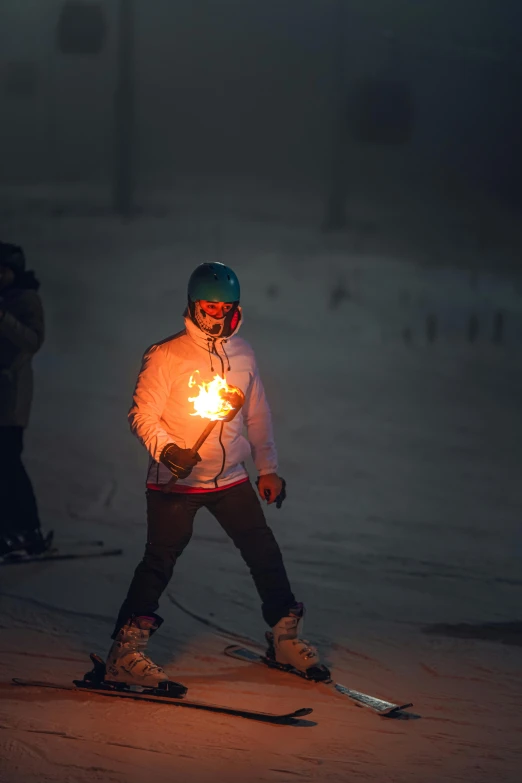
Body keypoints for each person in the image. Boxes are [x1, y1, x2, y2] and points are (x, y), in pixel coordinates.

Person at [106, 262, 328, 687]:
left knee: (263, 551)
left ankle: (283, 636)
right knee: (159, 561)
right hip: (176, 481)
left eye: (227, 306)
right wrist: (167, 450)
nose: (218, 314)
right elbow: (142, 414)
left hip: (230, 477)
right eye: (210, 305)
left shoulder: (243, 353)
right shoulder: (166, 354)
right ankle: (125, 651)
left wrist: (268, 468)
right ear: (193, 304)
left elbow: (257, 412)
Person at [0, 242, 49, 556]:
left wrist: (3, 317)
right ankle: (9, 529)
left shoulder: (26, 299)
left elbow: (32, 341)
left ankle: (27, 529)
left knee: (9, 463)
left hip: (11, 396)